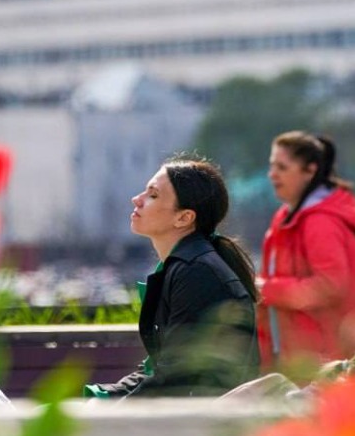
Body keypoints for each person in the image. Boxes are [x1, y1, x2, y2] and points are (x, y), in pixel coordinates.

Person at [85, 158, 259, 398]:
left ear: (184, 218)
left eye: (153, 195)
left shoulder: (197, 273)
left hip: (202, 423)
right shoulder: (185, 265)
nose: (137, 199)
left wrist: (111, 408)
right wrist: (103, 395)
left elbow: (175, 377)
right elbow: (160, 368)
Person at [258, 131, 355, 378]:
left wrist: (266, 289)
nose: (272, 175)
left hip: (326, 358)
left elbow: (330, 285)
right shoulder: (288, 215)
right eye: (271, 166)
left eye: (282, 167)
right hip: (304, 356)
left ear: (309, 171)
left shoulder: (320, 222)